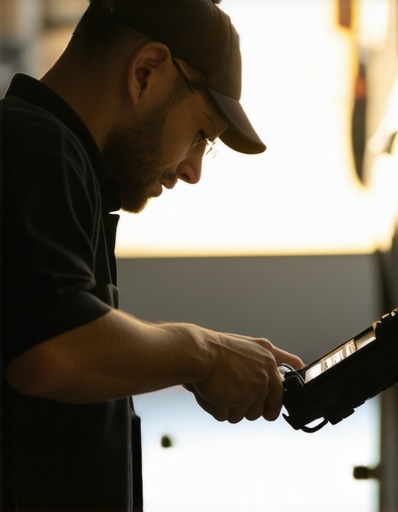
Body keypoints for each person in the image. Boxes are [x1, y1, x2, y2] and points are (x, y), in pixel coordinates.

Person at [0, 0, 304, 510]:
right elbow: (51, 352)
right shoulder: (34, 147)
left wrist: (192, 360)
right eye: (202, 135)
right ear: (145, 72)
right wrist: (201, 353)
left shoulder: (59, 159)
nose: (193, 171)